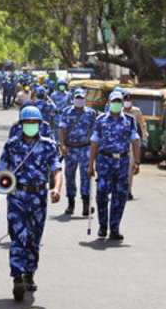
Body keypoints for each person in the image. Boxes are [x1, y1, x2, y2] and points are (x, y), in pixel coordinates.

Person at [0, 106, 62, 301]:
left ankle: (30, 273)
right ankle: (17, 277)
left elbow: (56, 169)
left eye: (34, 123)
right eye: (27, 123)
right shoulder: (11, 145)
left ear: (40, 124)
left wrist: (57, 188)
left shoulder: (48, 145)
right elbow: (0, 174)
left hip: (38, 197)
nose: (31, 126)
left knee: (34, 239)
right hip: (17, 197)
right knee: (18, 237)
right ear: (21, 125)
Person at [88, 91, 141, 240]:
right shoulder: (100, 120)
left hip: (122, 162)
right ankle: (103, 225)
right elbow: (94, 142)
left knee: (120, 196)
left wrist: (136, 162)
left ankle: (115, 227)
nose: (117, 104)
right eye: (114, 101)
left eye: (119, 101)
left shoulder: (129, 121)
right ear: (110, 103)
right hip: (104, 161)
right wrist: (90, 164)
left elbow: (135, 142)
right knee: (102, 194)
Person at [59, 89, 97, 216]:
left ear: (85, 99)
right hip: (70, 149)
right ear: (73, 99)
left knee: (86, 175)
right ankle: (71, 204)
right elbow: (62, 129)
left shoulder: (91, 113)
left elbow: (95, 131)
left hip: (85, 148)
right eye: (77, 98)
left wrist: (94, 148)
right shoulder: (67, 111)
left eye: (81, 98)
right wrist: (62, 145)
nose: (79, 100)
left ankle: (86, 204)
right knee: (69, 176)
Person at [122, 92, 148, 200]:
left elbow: (142, 124)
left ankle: (128, 191)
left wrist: (145, 138)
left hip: (131, 143)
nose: (127, 101)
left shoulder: (136, 111)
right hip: (119, 142)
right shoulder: (119, 111)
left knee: (130, 169)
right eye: (125, 99)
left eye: (129, 99)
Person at [50, 79, 72, 144]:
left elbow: (70, 105)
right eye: (61, 85)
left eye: (63, 85)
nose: (62, 87)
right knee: (56, 132)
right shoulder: (53, 95)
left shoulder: (68, 95)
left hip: (65, 116)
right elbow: (51, 106)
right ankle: (57, 147)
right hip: (56, 116)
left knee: (65, 132)